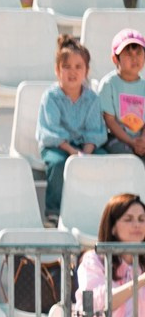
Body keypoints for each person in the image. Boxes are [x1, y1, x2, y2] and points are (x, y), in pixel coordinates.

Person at [73, 192, 145, 317]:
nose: (137, 225)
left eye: (142, 219)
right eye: (128, 219)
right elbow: (98, 301)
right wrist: (140, 281)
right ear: (112, 226)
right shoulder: (93, 261)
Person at [40, 36, 110, 222]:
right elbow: (52, 131)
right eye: (67, 66)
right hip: (58, 146)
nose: (73, 72)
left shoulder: (92, 99)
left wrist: (85, 153)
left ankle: (101, 209)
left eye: (79, 66)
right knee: (57, 164)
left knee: (104, 161)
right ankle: (53, 211)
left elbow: (95, 131)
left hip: (84, 146)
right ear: (57, 70)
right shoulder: (51, 97)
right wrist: (72, 152)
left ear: (86, 70)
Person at [99, 29, 145, 162]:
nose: (135, 58)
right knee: (129, 160)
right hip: (116, 138)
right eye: (128, 54)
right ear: (115, 59)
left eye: (139, 53)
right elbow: (110, 122)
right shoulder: (109, 84)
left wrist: (142, 140)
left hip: (141, 139)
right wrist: (131, 142)